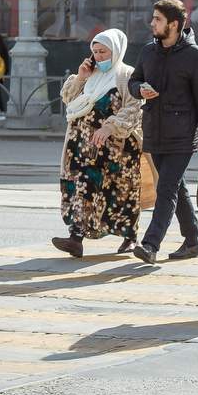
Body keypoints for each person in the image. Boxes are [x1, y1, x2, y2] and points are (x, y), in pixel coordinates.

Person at [127, 0, 198, 265]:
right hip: (153, 133)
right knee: (177, 190)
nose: (152, 23)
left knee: (165, 188)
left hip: (182, 136)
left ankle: (150, 244)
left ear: (173, 25)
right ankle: (193, 241)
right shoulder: (147, 52)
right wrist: (139, 88)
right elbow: (134, 80)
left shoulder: (194, 55)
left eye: (157, 19)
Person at [52, 29, 144, 257]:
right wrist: (81, 77)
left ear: (117, 51)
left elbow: (134, 109)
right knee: (82, 186)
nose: (99, 56)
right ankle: (76, 237)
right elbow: (69, 101)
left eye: (103, 51)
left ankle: (130, 237)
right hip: (82, 146)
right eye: (95, 52)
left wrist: (109, 127)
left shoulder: (127, 75)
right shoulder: (88, 76)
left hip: (117, 149)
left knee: (121, 191)